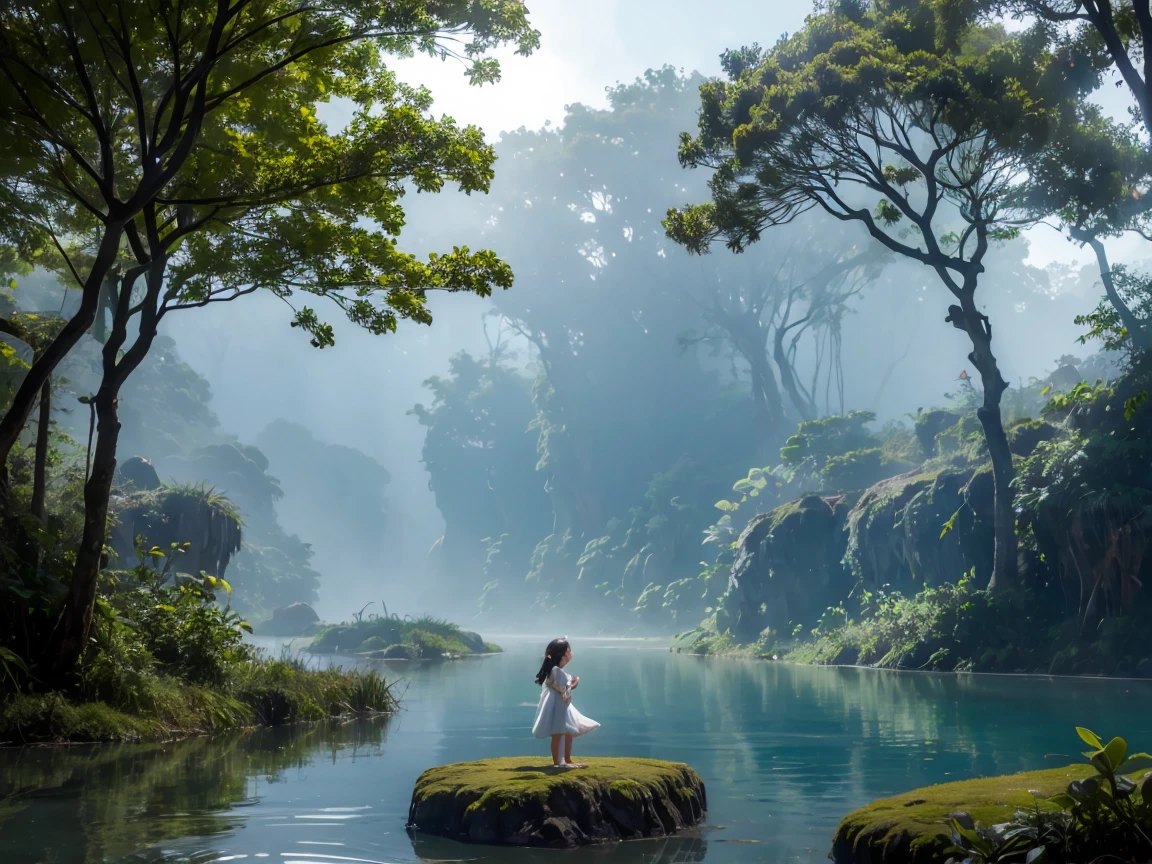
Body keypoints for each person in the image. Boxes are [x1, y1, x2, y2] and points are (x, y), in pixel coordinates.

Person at [531, 637, 599, 768]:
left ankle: (566, 759)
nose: (571, 655)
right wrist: (573, 685)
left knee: (567, 732)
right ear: (563, 655)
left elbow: (558, 688)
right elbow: (563, 692)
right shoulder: (558, 672)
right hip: (560, 706)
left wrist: (569, 686)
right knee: (560, 732)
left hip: (561, 704)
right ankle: (560, 761)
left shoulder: (554, 671)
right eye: (569, 651)